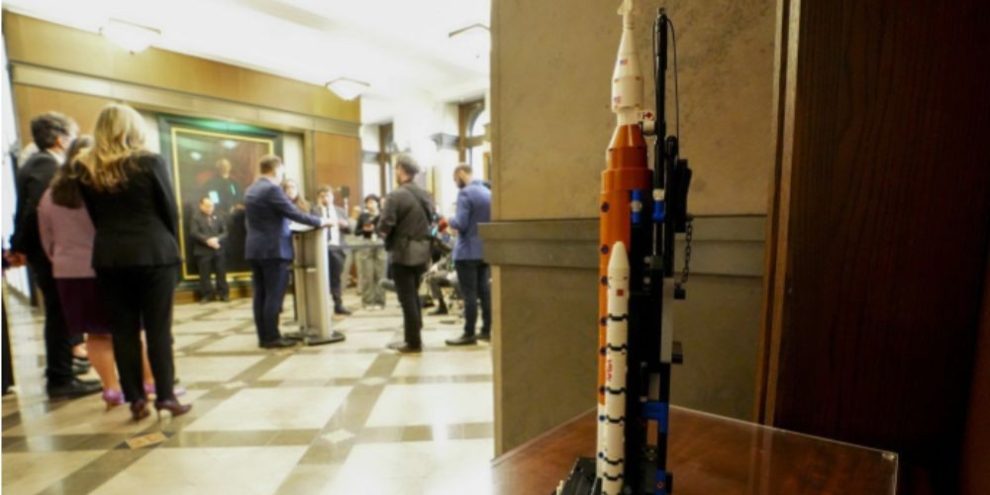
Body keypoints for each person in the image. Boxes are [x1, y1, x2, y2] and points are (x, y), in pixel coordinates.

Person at [79, 103, 190, 420]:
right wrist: (169, 246)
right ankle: (166, 395)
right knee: (158, 330)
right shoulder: (150, 161)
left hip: (110, 256)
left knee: (123, 330)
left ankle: (136, 399)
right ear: (133, 128)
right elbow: (170, 210)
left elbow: (95, 217)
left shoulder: (87, 167)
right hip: (154, 252)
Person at [7, 112, 100, 399]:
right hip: (50, 256)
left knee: (60, 314)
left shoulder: (36, 164)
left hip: (46, 254)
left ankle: (63, 371)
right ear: (61, 140)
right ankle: (60, 378)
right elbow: (33, 211)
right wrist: (19, 247)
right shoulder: (45, 166)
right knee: (60, 315)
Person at [37, 135, 127, 407]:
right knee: (125, 330)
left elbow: (47, 238)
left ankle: (110, 389)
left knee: (95, 334)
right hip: (104, 267)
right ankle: (143, 384)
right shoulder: (101, 189)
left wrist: (61, 259)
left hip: (67, 272)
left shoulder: (51, 193)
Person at [244, 155, 330, 349]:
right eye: (282, 170)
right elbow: (293, 213)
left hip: (255, 249)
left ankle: (264, 337)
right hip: (274, 250)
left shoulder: (251, 189)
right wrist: (320, 221)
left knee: (261, 295)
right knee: (274, 295)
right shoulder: (271, 189)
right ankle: (272, 337)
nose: (283, 174)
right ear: (276, 169)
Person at [379, 155, 434, 353]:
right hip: (423, 253)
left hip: (403, 253)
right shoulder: (425, 194)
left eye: (395, 169)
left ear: (401, 170)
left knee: (407, 299)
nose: (395, 173)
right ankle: (415, 334)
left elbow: (385, 224)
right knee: (414, 295)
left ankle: (413, 342)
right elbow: (432, 221)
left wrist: (384, 235)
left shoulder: (396, 195)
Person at [445, 164, 493, 346]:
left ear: (461, 174)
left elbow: (461, 223)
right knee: (485, 292)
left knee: (469, 294)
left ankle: (469, 333)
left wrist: (449, 219)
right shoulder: (487, 192)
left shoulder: (465, 193)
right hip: (484, 250)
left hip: (466, 253)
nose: (456, 182)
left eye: (455, 178)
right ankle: (486, 330)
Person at [312, 186, 352, 315]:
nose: (325, 198)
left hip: (337, 248)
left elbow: (349, 230)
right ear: (318, 198)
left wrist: (345, 225)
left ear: (332, 197)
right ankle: (320, 306)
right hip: (320, 249)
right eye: (322, 196)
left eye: (328, 195)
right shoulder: (314, 211)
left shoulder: (340, 211)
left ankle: (338, 304)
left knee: (336, 278)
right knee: (320, 278)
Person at [189, 197, 229, 303]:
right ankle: (207, 295)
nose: (210, 208)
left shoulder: (219, 216)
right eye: (207, 206)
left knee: (221, 273)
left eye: (211, 206)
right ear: (201, 206)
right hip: (203, 250)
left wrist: (217, 239)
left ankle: (223, 294)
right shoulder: (196, 217)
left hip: (218, 249)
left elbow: (225, 232)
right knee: (204, 274)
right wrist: (207, 240)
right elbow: (194, 233)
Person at [355, 195, 387, 309]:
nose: (370, 205)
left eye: (373, 202)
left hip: (380, 243)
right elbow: (356, 232)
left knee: (380, 273)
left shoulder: (384, 215)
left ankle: (380, 301)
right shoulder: (363, 216)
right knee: (367, 274)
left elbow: (388, 229)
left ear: (377, 203)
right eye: (368, 203)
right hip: (366, 243)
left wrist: (376, 230)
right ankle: (368, 302)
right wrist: (364, 229)